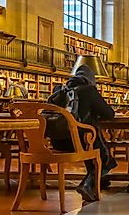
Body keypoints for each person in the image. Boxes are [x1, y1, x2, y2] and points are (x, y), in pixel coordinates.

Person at [47, 64, 116, 202]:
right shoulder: (89, 90)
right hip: (80, 142)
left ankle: (99, 181)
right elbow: (109, 114)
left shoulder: (58, 90)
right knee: (100, 150)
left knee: (91, 142)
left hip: (57, 142)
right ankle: (88, 183)